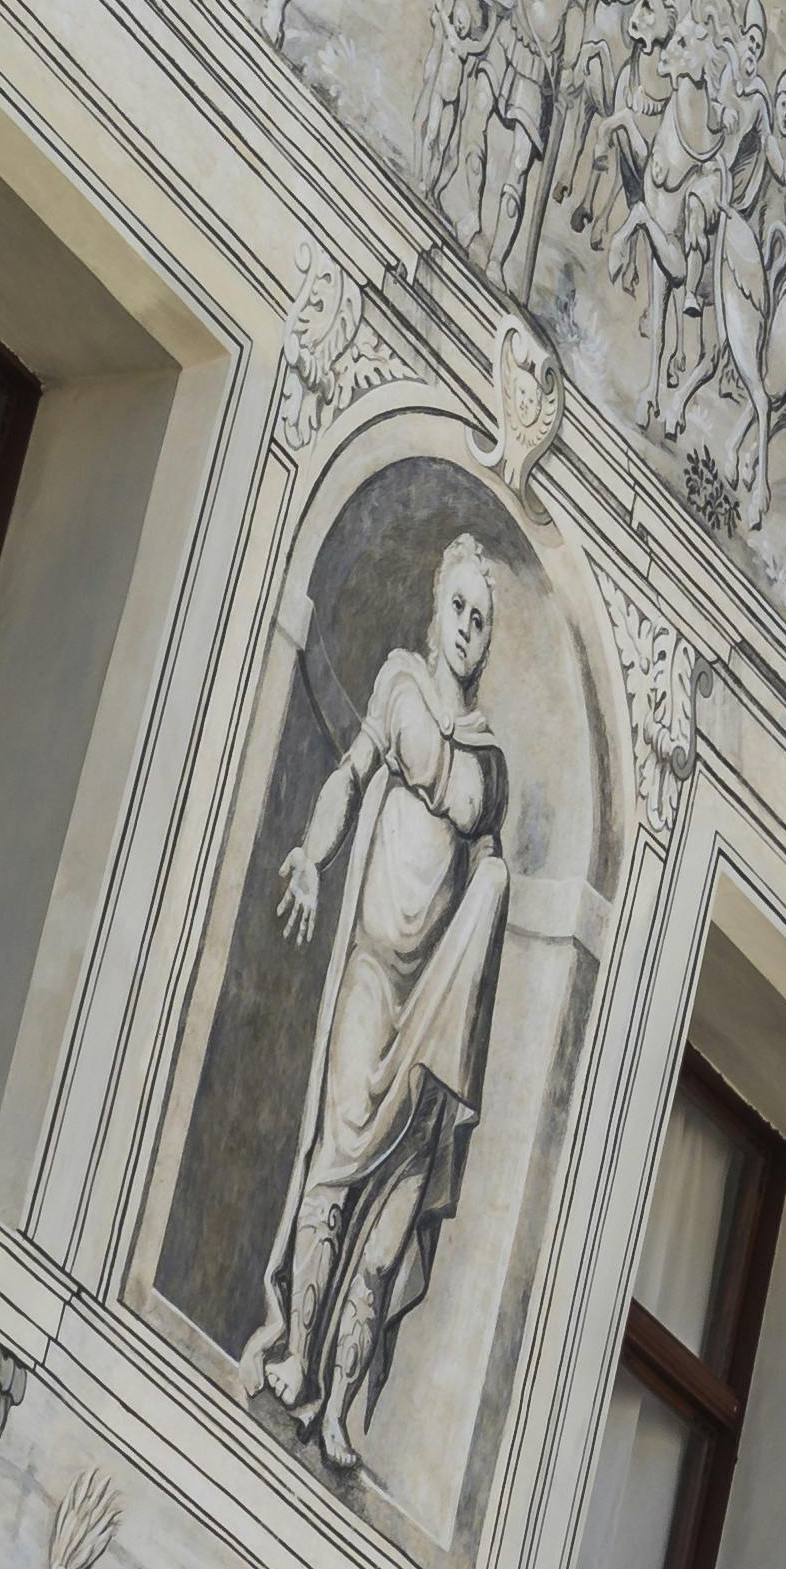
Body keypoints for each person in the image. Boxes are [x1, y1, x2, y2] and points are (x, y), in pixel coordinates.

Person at [240, 535, 521, 1475]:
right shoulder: (399, 684)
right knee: (333, 1161)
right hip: (370, 970)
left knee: (390, 1220)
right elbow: (351, 777)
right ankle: (294, 1356)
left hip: (431, 1011)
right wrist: (312, 858)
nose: (469, 630)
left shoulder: (491, 763)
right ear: (434, 610)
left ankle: (346, 1408)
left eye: (482, 619)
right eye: (460, 610)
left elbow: (484, 872)